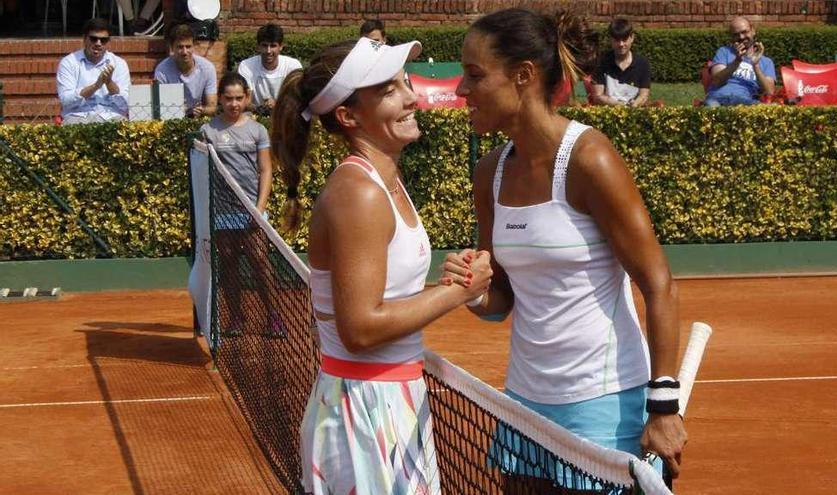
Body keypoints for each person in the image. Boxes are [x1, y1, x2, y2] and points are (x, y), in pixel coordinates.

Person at [446, 7, 687, 488]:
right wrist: (474, 291)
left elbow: (658, 283)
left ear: (523, 76)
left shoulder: (589, 158)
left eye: (475, 75)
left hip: (604, 410)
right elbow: (502, 301)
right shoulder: (488, 173)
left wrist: (662, 407)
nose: (460, 90)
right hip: (525, 405)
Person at [271, 37, 492, 493]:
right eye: (388, 90)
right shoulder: (360, 192)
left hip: (392, 398)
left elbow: (385, 294)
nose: (411, 96)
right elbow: (360, 328)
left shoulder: (385, 180)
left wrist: (446, 281)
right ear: (349, 117)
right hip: (364, 411)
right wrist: (458, 292)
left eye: (403, 82)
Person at [200, 72, 281, 336]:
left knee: (260, 261)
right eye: (228, 99)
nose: (233, 104)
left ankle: (273, 317)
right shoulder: (208, 131)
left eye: (238, 98)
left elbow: (265, 170)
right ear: (220, 100)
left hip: (252, 210)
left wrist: (259, 209)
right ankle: (236, 318)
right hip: (222, 211)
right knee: (229, 262)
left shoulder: (258, 130)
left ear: (246, 98)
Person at [56, 18, 131, 125]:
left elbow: (126, 104)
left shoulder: (119, 63)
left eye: (103, 40)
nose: (98, 43)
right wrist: (95, 86)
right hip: (78, 117)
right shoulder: (69, 62)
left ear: (108, 42)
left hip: (112, 117)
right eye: (93, 39)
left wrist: (109, 83)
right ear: (84, 39)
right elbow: (66, 101)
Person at [704, 16, 775, 106]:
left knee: (771, 108)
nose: (741, 37)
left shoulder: (766, 62)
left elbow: (770, 92)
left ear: (753, 31)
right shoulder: (724, 52)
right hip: (719, 98)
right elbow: (717, 81)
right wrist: (736, 61)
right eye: (736, 34)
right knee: (712, 108)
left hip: (745, 101)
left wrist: (756, 65)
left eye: (744, 32)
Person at [236, 23, 302, 116]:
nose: (268, 51)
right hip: (255, 116)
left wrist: (277, 105)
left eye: (273, 46)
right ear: (258, 46)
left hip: (285, 116)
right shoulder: (246, 66)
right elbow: (245, 101)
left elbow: (297, 99)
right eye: (264, 45)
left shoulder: (292, 65)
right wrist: (261, 108)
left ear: (281, 46)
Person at [154, 24, 217, 117]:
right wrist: (176, 110)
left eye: (188, 46)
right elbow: (158, 107)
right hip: (171, 119)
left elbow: (212, 107)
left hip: (199, 118)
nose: (184, 52)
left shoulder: (207, 68)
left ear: (194, 46)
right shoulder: (162, 71)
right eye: (180, 47)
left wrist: (202, 110)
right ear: (172, 48)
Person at [592, 18, 652, 107]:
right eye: (617, 40)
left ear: (632, 38)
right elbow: (598, 96)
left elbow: (644, 95)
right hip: (607, 111)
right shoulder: (600, 62)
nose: (621, 44)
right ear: (611, 40)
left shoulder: (643, 64)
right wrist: (619, 105)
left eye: (624, 39)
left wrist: (635, 104)